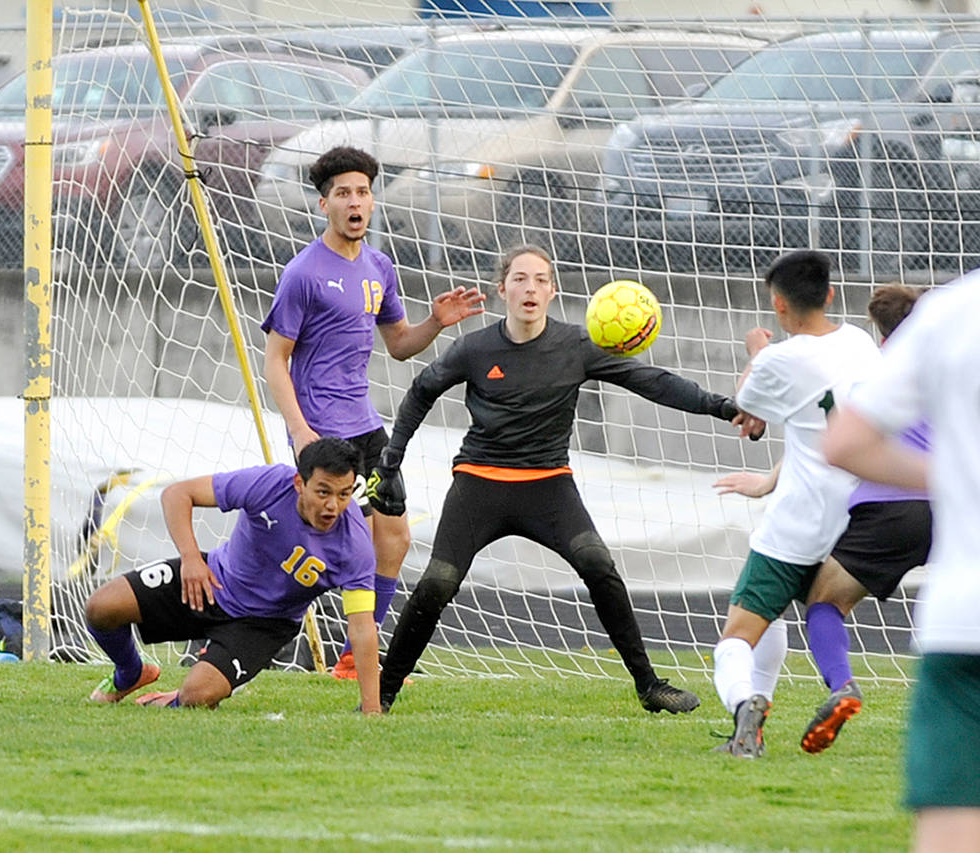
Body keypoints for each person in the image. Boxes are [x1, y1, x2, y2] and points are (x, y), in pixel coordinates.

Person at [367, 244, 759, 714]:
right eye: (519, 279)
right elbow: (420, 391)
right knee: (438, 581)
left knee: (598, 565)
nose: (529, 288)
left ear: (553, 291)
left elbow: (653, 381)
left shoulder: (576, 345)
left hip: (548, 485)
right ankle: (381, 695)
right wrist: (390, 463)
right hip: (478, 483)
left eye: (540, 279)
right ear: (502, 289)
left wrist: (723, 406)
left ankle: (649, 685)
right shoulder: (475, 347)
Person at [261, 145, 485, 680]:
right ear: (324, 205)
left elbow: (400, 344)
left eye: (363, 192)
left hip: (367, 429)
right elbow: (275, 360)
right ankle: (231, 626)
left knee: (394, 537)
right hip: (322, 434)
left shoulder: (379, 266)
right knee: (313, 546)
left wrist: (435, 322)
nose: (355, 202)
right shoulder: (303, 273)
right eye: (343, 194)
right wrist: (298, 431)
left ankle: (349, 657)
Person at [714, 284, 931, 755]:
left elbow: (830, 436)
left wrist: (758, 353)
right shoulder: (955, 365)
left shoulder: (874, 364)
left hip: (883, 508)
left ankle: (836, 688)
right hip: (956, 505)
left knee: (822, 605)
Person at [823, 276, 980, 853]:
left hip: (964, 621)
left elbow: (843, 444)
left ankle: (840, 683)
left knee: (823, 597)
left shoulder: (951, 311)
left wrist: (961, 480)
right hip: (929, 538)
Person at [82, 437, 383, 712]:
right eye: (323, 492)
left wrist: (371, 711)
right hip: (211, 580)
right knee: (101, 607)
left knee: (196, 697)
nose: (333, 506)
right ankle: (130, 673)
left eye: (344, 495)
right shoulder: (268, 484)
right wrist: (191, 559)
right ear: (298, 483)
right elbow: (177, 494)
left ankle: (180, 696)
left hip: (264, 625)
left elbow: (362, 628)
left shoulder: (355, 546)